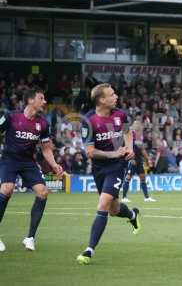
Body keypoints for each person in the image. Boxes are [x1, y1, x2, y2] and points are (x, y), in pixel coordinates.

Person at [76, 84, 140, 265]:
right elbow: (90, 151)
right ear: (102, 100)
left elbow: (128, 132)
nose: (116, 96)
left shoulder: (121, 115)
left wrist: (129, 148)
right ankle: (132, 216)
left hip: (118, 166)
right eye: (112, 94)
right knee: (113, 209)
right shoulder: (88, 121)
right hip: (99, 168)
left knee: (103, 203)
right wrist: (114, 153)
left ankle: (89, 250)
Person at [0, 87, 63, 252]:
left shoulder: (43, 123)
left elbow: (46, 148)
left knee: (42, 192)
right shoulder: (11, 117)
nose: (44, 101)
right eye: (41, 98)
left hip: (28, 162)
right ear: (30, 100)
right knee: (6, 189)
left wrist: (55, 165)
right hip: (9, 160)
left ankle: (30, 238)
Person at [121, 122, 156, 203]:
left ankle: (146, 198)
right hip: (131, 159)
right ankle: (124, 197)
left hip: (139, 160)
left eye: (139, 125)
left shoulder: (140, 136)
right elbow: (126, 146)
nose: (139, 126)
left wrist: (148, 159)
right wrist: (130, 158)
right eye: (137, 124)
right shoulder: (130, 134)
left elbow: (142, 149)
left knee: (143, 178)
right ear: (134, 126)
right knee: (128, 178)